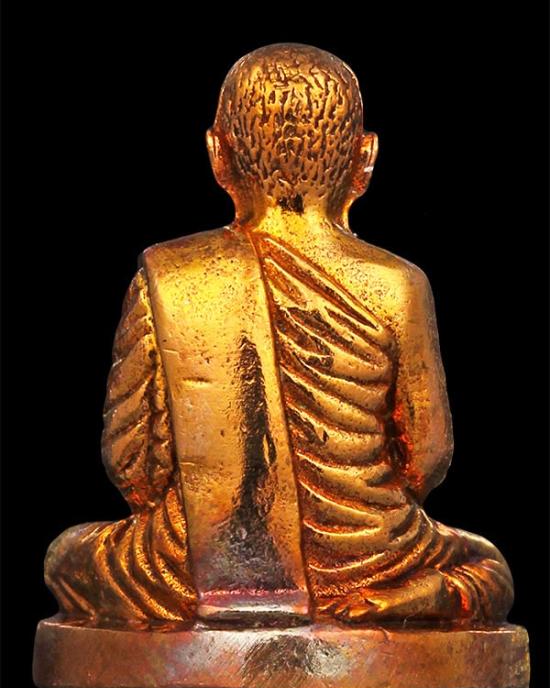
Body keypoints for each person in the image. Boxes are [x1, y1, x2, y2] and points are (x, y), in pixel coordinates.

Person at [45, 43, 513, 626]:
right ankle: (411, 598)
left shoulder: (170, 275)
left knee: (67, 557)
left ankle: (223, 604)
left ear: (217, 155)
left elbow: (133, 469)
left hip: (191, 564)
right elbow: (427, 461)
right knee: (486, 568)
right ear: (365, 159)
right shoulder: (398, 285)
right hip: (371, 556)